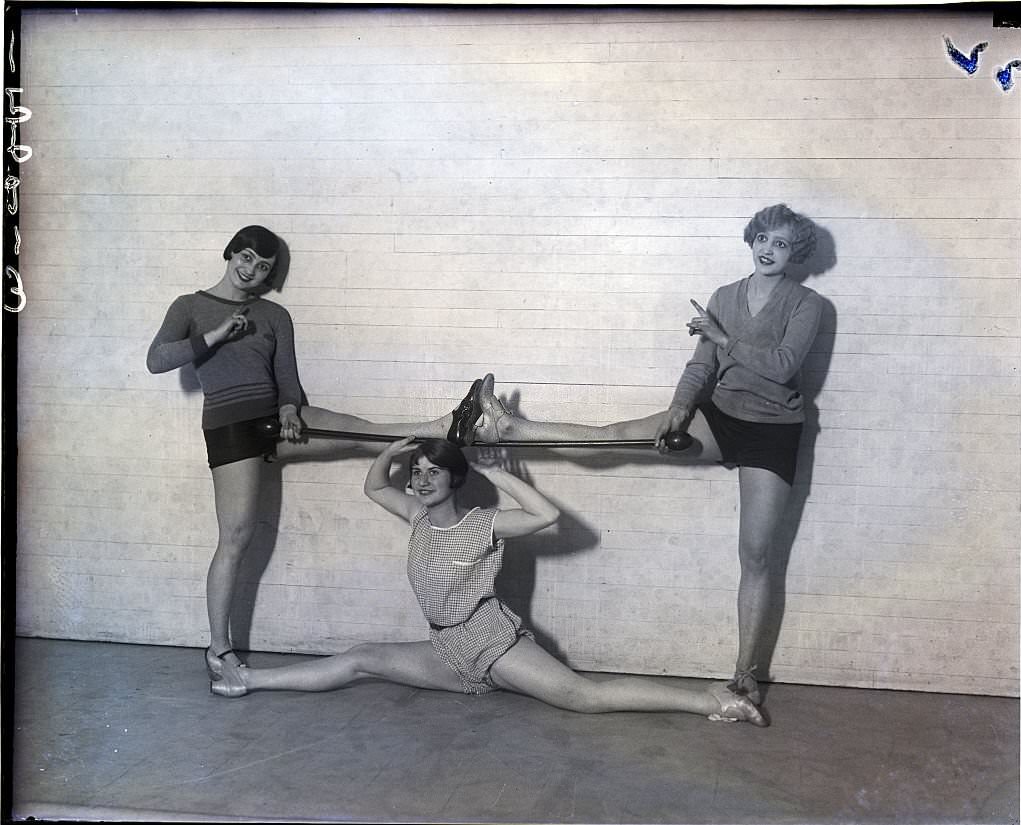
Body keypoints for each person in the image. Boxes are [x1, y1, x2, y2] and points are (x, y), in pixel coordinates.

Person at [472, 204, 824, 706]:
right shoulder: (725, 296)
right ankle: (511, 426)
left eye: (782, 244)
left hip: (773, 432)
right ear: (752, 240)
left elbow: (785, 367)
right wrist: (681, 408)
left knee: (757, 554)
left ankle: (744, 675)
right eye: (763, 239)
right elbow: (701, 363)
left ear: (796, 252)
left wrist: (724, 337)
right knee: (615, 437)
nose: (769, 250)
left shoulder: (807, 303)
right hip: (720, 417)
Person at [209, 438, 767, 726]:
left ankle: (714, 700)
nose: (423, 480)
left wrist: (494, 471)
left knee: (582, 697)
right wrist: (390, 454)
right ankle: (250, 681)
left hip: (490, 640)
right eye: (418, 473)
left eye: (435, 472)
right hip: (446, 647)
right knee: (360, 657)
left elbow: (547, 517)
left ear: (456, 478)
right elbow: (375, 488)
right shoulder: (416, 515)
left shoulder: (484, 523)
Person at [146, 225, 488, 681]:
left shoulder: (273, 315)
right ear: (230, 254)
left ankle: (450, 425)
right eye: (246, 258)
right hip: (231, 430)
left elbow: (287, 377)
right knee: (236, 538)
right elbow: (156, 360)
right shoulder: (190, 306)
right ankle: (218, 650)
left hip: (277, 419)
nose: (251, 271)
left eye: (263, 267)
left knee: (360, 432)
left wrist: (290, 408)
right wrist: (216, 336)